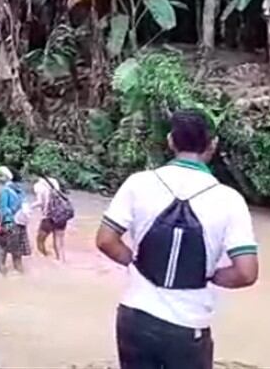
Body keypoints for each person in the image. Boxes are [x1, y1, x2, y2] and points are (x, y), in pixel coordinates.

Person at [96, 109, 259, 369]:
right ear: (212, 144)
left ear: (171, 141)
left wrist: (136, 261)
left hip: (135, 316)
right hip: (188, 324)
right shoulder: (229, 200)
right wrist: (211, 275)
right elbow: (246, 272)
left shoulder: (138, 183)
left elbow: (106, 240)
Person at [0, 166, 30, 274]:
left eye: (1, 175)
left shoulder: (5, 192)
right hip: (20, 225)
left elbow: (2, 211)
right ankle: (21, 276)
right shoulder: (20, 191)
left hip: (8, 224)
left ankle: (3, 277)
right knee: (17, 256)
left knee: (1, 250)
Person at [34, 174, 70, 262]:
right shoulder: (54, 182)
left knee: (40, 241)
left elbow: (40, 202)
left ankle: (44, 259)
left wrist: (28, 207)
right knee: (59, 241)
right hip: (61, 215)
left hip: (48, 217)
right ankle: (61, 260)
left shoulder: (38, 186)